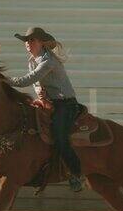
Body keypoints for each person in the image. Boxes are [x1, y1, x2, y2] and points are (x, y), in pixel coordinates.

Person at [7, 27, 84, 192]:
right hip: (50, 103)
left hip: (65, 104)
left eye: (32, 40)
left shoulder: (48, 60)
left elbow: (29, 79)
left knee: (59, 135)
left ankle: (76, 173)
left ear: (42, 42)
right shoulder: (32, 60)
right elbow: (36, 83)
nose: (28, 43)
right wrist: (39, 94)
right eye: (26, 41)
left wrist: (5, 80)